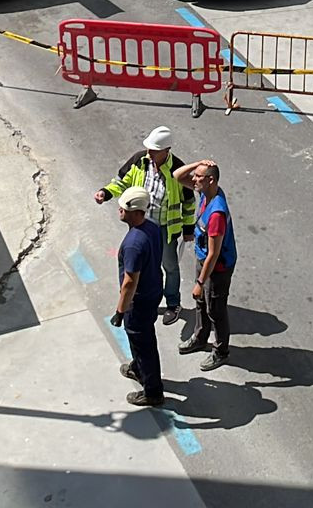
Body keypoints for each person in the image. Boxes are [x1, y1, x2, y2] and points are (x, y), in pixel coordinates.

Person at [95, 126, 193, 327]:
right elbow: (122, 183)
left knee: (170, 266)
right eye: (149, 149)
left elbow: (189, 202)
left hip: (165, 231)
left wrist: (188, 229)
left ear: (167, 151)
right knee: (148, 268)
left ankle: (173, 304)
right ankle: (147, 299)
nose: (149, 153)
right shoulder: (140, 161)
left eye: (154, 150)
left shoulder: (177, 170)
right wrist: (106, 193)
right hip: (143, 227)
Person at [174, 158, 235, 371]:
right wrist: (198, 163)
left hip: (217, 267)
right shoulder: (206, 193)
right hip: (204, 259)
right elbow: (178, 176)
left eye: (199, 177)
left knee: (215, 309)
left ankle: (221, 351)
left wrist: (200, 282)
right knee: (201, 302)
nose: (194, 179)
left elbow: (214, 253)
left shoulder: (216, 212)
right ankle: (200, 338)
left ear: (210, 180)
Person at [111, 185, 166, 407]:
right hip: (153, 292)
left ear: (134, 211)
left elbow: (129, 282)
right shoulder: (152, 228)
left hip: (139, 301)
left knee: (143, 343)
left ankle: (152, 391)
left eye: (123, 207)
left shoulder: (134, 244)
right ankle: (138, 368)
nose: (119, 210)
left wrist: (120, 311)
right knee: (140, 339)